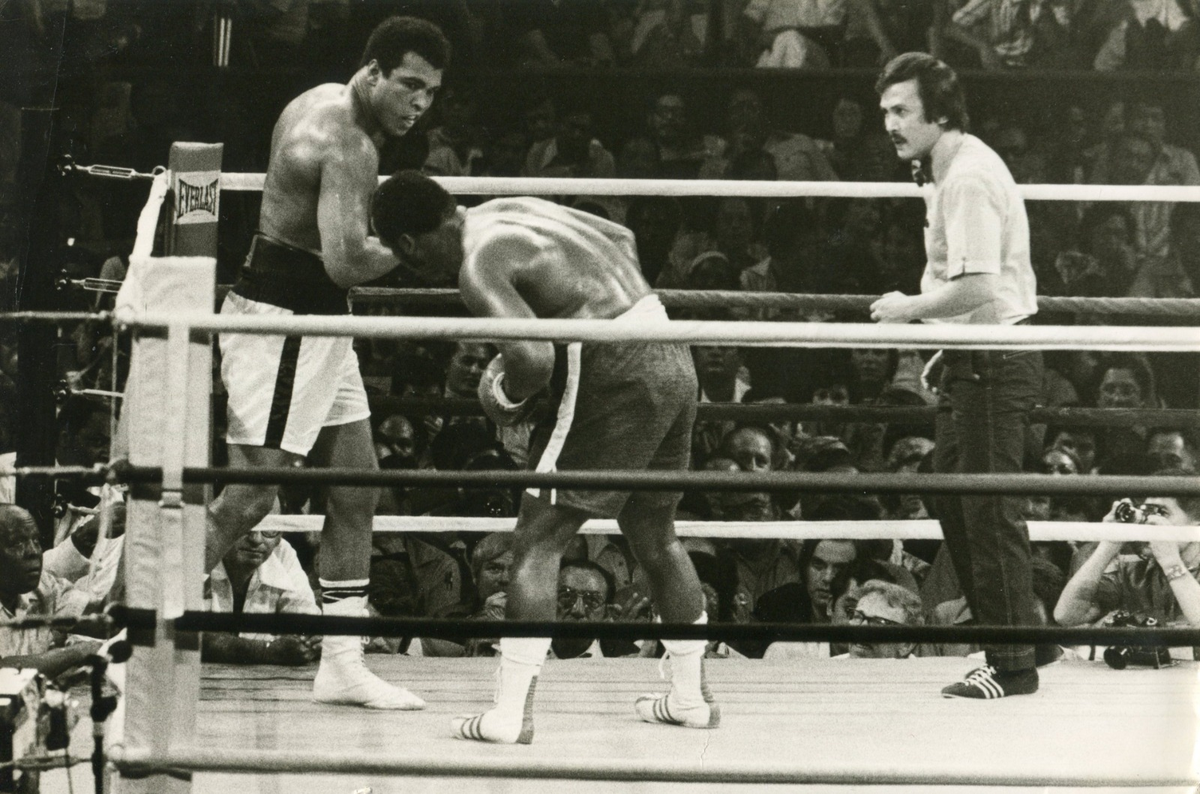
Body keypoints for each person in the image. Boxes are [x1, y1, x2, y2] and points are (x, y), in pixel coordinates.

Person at [371, 171, 716, 743]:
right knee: (655, 534)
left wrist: (502, 397)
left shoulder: (476, 263)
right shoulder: (508, 207)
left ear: (406, 245)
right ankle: (691, 698)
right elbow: (624, 238)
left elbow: (531, 359)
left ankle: (510, 716)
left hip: (611, 365)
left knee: (537, 539)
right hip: (669, 349)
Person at [207, 16, 451, 711]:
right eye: (408, 85)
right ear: (373, 70)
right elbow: (346, 260)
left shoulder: (316, 97)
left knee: (356, 482)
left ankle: (341, 660)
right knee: (250, 498)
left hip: (313, 321)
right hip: (289, 323)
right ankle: (129, 644)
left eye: (430, 93)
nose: (418, 103)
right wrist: (416, 248)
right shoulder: (349, 143)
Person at [870, 53, 1042, 699]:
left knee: (988, 511)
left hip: (996, 363)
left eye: (903, 110)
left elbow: (977, 284)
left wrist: (907, 311)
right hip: (974, 361)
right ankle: (1022, 640)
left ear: (939, 113)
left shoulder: (967, 177)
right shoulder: (942, 169)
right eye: (885, 110)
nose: (889, 123)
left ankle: (1013, 664)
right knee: (949, 493)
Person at [1054, 470, 1200, 637]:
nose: (1150, 522)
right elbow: (1066, 616)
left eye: (1162, 513)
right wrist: (1109, 544)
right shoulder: (1132, 567)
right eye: (1147, 512)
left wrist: (1171, 562)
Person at [202, 529, 322, 666]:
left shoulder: (282, 552)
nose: (256, 539)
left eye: (269, 531)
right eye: (247, 525)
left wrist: (309, 639)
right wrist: (265, 651)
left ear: (280, 535)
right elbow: (183, 633)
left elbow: (305, 622)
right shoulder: (196, 548)